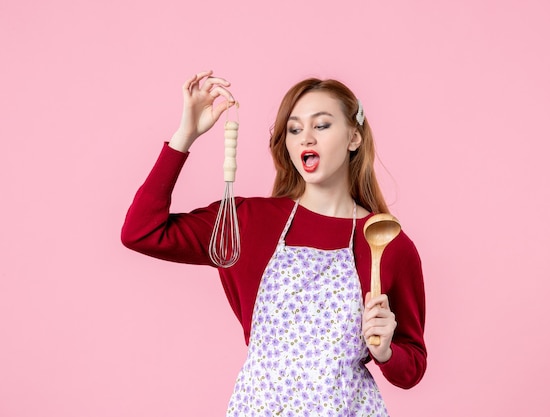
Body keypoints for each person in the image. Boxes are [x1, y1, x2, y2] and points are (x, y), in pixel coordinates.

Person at [121, 70, 427, 416]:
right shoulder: (249, 221)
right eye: (294, 129)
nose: (305, 138)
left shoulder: (386, 242)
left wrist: (386, 350)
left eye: (322, 125)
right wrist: (184, 135)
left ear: (354, 138)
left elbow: (412, 366)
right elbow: (141, 232)